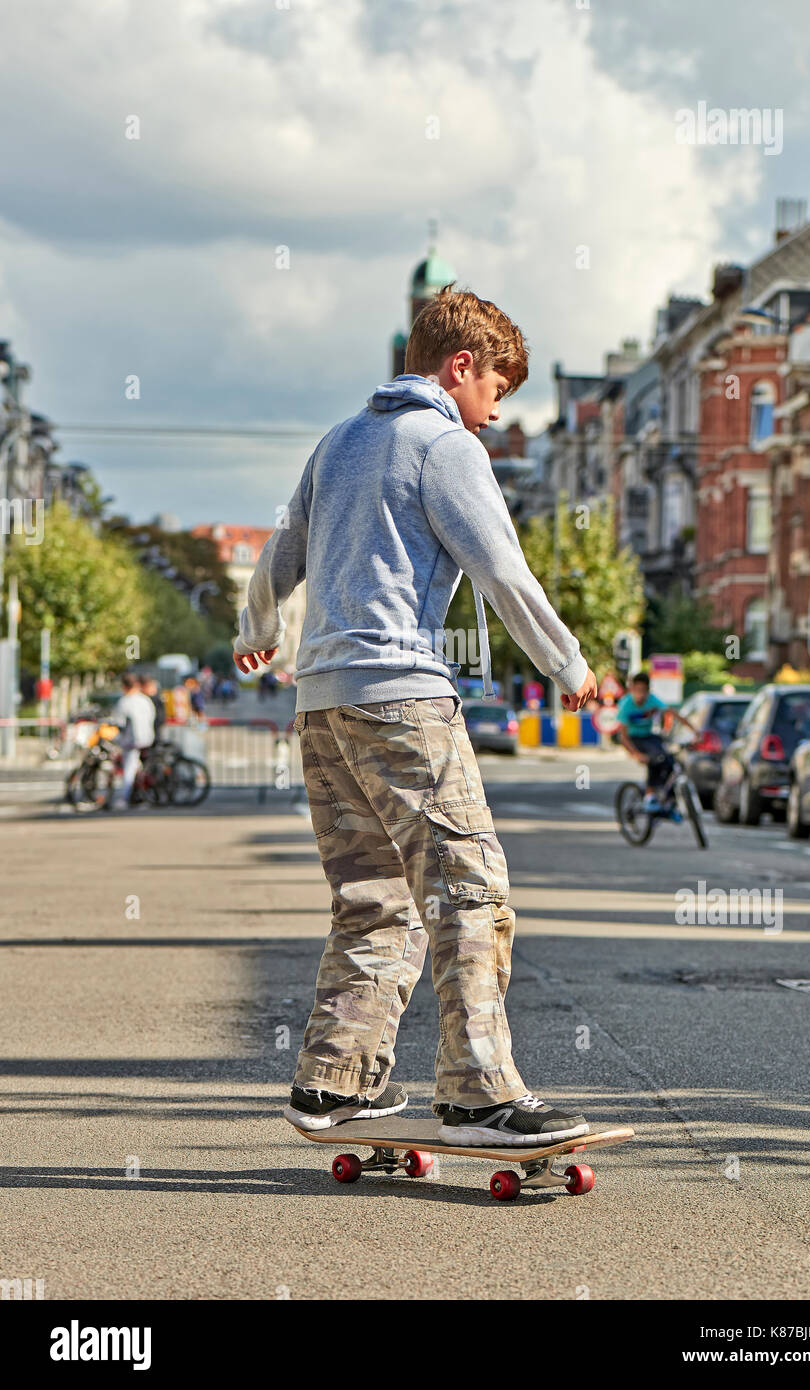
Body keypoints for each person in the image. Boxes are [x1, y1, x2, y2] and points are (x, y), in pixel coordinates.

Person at [233, 286, 597, 1147]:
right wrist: (567, 664)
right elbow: (502, 570)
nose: (493, 418)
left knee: (373, 901)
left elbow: (280, 550)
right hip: (401, 699)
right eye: (494, 394)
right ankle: (478, 1091)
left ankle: (332, 1085)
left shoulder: (339, 441)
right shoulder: (442, 445)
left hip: (321, 704)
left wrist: (256, 630)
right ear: (457, 367)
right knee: (468, 891)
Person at [613, 672, 698, 809]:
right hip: (634, 739)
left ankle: (669, 800)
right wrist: (636, 754)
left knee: (670, 761)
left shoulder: (652, 700)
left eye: (643, 691)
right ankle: (650, 795)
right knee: (655, 758)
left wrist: (694, 731)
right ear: (632, 689)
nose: (640, 696)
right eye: (637, 691)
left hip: (650, 736)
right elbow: (623, 737)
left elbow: (673, 713)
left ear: (648, 691)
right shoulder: (626, 705)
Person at [109, 673, 156, 810]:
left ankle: (124, 798)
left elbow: (120, 723)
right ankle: (142, 793)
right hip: (147, 738)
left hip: (131, 740)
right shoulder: (145, 700)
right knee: (137, 767)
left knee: (128, 770)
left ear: (124, 686)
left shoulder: (125, 702)